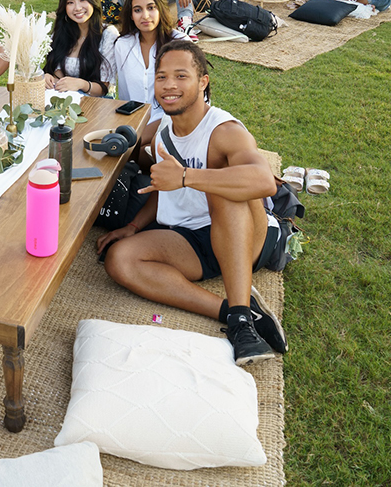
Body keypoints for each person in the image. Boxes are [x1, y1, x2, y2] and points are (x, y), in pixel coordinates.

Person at [96, 39, 287, 367]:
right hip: (193, 241)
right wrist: (132, 226)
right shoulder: (162, 130)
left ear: (203, 82)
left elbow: (262, 182)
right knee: (120, 260)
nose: (169, 85)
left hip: (248, 237)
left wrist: (185, 176)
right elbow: (162, 187)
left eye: (181, 76)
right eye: (161, 77)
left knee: (222, 186)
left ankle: (240, 325)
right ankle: (232, 309)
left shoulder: (224, 130)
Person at [105, 0, 189, 133]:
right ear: (131, 15)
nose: (145, 15)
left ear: (160, 9)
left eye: (151, 8)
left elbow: (193, 96)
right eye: (137, 10)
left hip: (173, 124)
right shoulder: (122, 45)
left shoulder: (180, 43)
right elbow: (123, 94)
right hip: (134, 124)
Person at [42, 0, 116, 95]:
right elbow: (57, 72)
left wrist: (81, 84)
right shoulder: (61, 32)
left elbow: (104, 89)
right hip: (64, 100)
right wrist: (49, 78)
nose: (77, 8)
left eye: (83, 0)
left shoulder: (107, 34)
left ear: (93, 0)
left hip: (97, 103)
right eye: (70, 2)